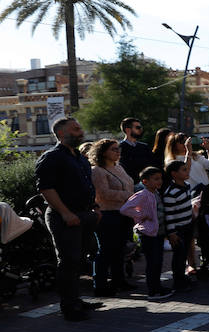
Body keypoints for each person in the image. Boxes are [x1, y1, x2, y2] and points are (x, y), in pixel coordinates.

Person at [35, 117, 103, 321]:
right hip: (64, 217)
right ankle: (69, 307)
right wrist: (65, 213)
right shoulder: (52, 157)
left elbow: (86, 186)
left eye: (80, 128)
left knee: (79, 260)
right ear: (62, 134)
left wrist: (95, 207)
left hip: (84, 214)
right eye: (75, 129)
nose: (80, 132)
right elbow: (46, 188)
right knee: (68, 261)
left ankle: (76, 300)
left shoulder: (80, 157)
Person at [89, 139, 135, 296]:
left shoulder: (119, 167)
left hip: (123, 212)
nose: (118, 152)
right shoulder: (97, 171)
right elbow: (102, 195)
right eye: (113, 149)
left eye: (118, 149)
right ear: (103, 152)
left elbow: (129, 184)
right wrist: (130, 195)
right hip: (107, 214)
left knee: (120, 250)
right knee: (106, 250)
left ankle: (119, 281)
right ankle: (99, 285)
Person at [120, 167, 172, 300]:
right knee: (153, 262)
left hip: (158, 233)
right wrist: (141, 215)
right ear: (145, 181)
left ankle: (158, 287)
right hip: (148, 234)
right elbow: (125, 209)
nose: (159, 181)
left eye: (160, 178)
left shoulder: (156, 192)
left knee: (158, 261)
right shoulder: (142, 194)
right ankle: (153, 291)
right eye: (155, 179)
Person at [162, 160, 194, 293]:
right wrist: (172, 233)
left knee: (185, 253)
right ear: (174, 174)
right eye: (183, 170)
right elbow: (169, 215)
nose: (187, 172)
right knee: (179, 256)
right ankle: (178, 281)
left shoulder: (186, 186)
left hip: (187, 226)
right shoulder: (170, 192)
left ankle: (182, 278)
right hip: (178, 230)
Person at [118, 118, 154, 182]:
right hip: (129, 184)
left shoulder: (144, 147)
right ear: (128, 130)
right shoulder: (119, 148)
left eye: (141, 127)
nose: (141, 129)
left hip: (147, 183)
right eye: (138, 127)